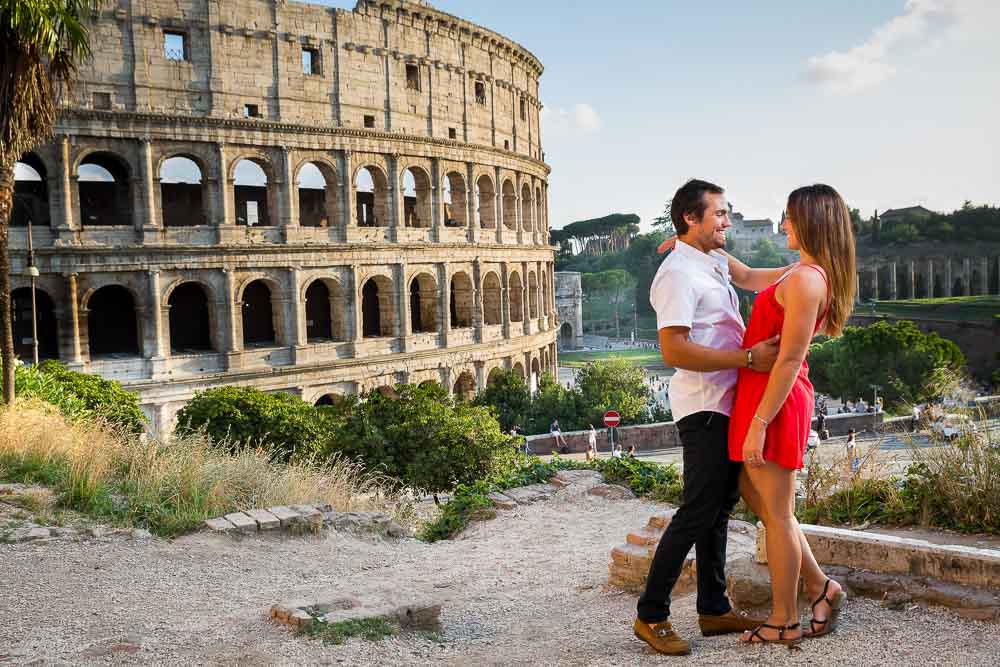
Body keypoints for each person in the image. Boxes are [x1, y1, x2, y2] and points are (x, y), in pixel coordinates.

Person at [632, 179, 782, 656]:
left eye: (727, 212)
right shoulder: (676, 273)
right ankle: (650, 614)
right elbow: (673, 349)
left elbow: (755, 277)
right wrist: (746, 360)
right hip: (702, 406)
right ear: (690, 219)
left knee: (718, 510)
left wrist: (813, 271)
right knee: (697, 511)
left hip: (726, 402)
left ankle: (713, 608)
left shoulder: (712, 259)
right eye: (718, 213)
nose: (727, 221)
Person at [728, 184, 855, 645]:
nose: (783, 224)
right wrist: (692, 247)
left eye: (789, 217)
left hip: (775, 401)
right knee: (757, 497)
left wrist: (759, 425)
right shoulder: (797, 273)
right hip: (762, 395)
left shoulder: (806, 280)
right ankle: (822, 586)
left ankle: (785, 620)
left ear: (812, 222)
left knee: (778, 514)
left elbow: (787, 359)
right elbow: (742, 274)